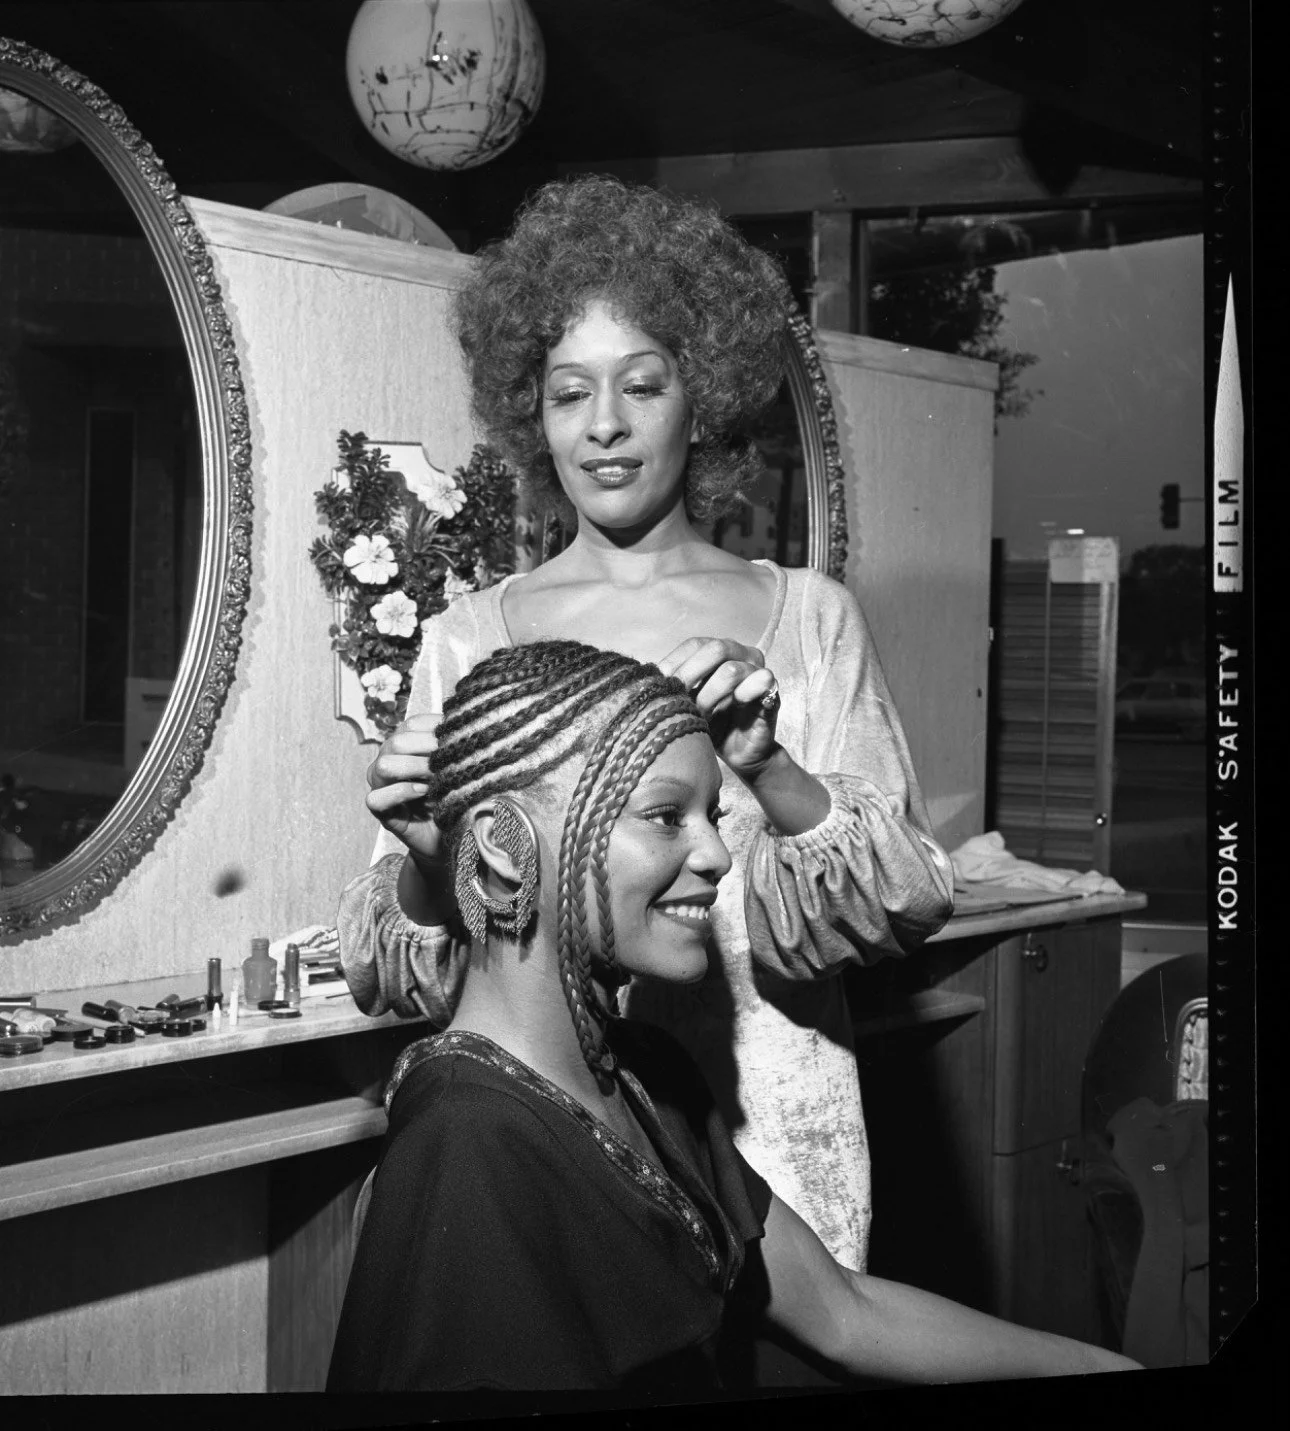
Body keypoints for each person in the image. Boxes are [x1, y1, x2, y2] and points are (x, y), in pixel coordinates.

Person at [340, 174, 954, 1274]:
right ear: (532, 412)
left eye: (642, 384)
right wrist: (431, 863)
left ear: (701, 398)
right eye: (570, 393)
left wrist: (768, 767)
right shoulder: (468, 639)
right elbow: (405, 968)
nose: (605, 426)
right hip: (547, 1148)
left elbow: (900, 905)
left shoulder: (809, 619)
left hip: (780, 1138)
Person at [328, 641, 1136, 1394]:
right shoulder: (470, 1142)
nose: (718, 854)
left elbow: (845, 1312)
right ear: (505, 845)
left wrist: (1099, 1362)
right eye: (664, 816)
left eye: (713, 814)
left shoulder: (647, 1073)